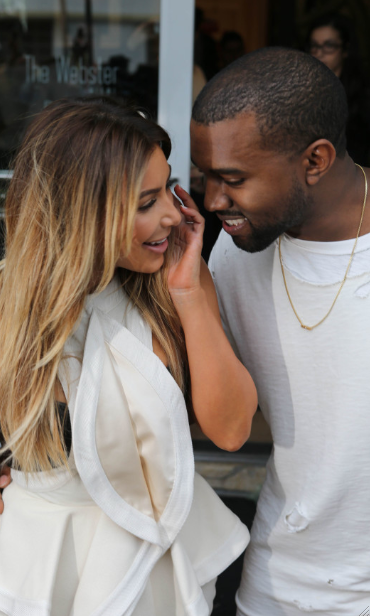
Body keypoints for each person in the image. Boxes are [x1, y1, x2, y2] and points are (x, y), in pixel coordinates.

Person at [0, 98, 257, 616]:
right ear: (81, 211)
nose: (173, 214)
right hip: (40, 571)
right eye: (146, 202)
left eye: (169, 189)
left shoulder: (174, 282)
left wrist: (190, 295)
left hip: (162, 561)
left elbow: (233, 431)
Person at [191, 47, 370, 614]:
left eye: (233, 179)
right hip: (277, 581)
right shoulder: (234, 253)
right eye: (205, 178)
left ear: (315, 160)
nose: (213, 201)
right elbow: (220, 419)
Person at [307, 13, 370, 166]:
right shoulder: (301, 89)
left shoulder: (362, 95)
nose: (319, 53)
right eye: (314, 46)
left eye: (329, 46)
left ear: (345, 50)